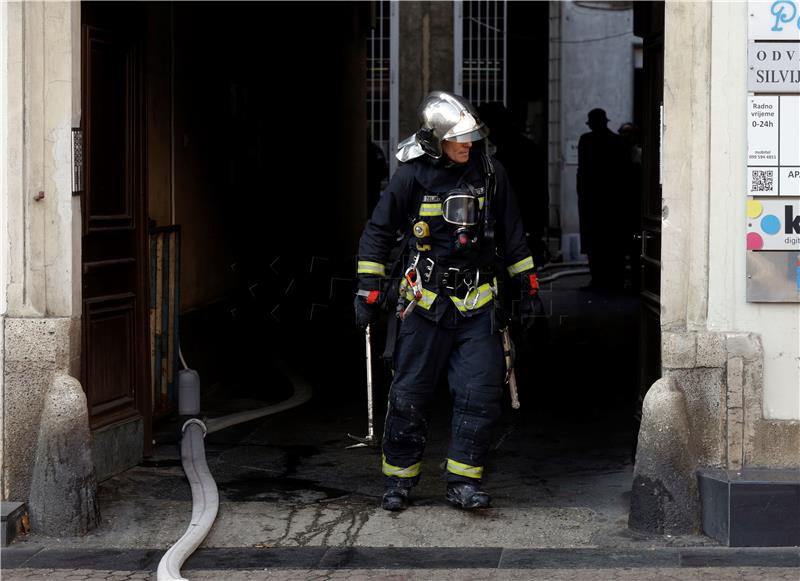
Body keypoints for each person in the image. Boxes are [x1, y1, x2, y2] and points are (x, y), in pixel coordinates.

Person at [353, 91, 542, 511]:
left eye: (472, 137)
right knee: (410, 394)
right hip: (423, 304)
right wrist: (367, 288)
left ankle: (463, 481)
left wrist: (528, 288)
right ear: (437, 140)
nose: (468, 144)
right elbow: (378, 233)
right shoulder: (410, 176)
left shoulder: (493, 175)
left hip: (477, 306)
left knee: (479, 393)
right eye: (459, 138)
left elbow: (513, 235)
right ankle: (399, 481)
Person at [478, 102, 549, 267]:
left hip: (518, 228)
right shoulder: (528, 150)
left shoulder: (507, 158)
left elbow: (536, 193)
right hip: (521, 227)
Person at [576, 108, 629, 292]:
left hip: (594, 200)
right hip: (610, 201)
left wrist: (582, 194)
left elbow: (581, 172)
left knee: (597, 242)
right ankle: (613, 280)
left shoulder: (587, 141)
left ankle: (599, 279)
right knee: (611, 242)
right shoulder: (618, 142)